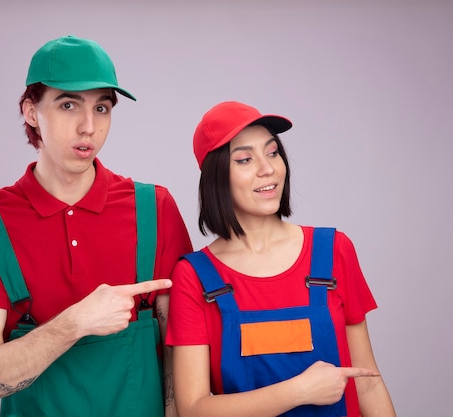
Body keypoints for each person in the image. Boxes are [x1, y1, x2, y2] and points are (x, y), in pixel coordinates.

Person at [0, 35, 192, 417]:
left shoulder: (154, 209)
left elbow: (179, 352)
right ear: (31, 111)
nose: (88, 127)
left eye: (102, 107)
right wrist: (73, 323)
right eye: (68, 105)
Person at [166, 101, 396, 417]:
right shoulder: (194, 276)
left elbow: (368, 383)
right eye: (245, 159)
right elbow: (193, 409)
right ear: (217, 177)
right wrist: (299, 391)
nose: (268, 169)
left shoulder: (332, 252)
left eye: (272, 152)